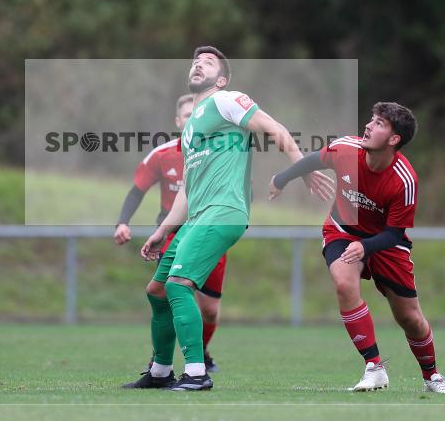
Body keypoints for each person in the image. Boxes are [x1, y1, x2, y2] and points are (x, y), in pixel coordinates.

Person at [123, 46, 334, 391]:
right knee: (157, 291)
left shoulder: (226, 100)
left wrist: (302, 168)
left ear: (220, 79)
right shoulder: (192, 127)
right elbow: (188, 192)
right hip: (198, 216)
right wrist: (163, 231)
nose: (198, 64)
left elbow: (273, 128)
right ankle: (160, 372)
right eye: (195, 61)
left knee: (178, 287)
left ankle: (196, 373)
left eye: (208, 63)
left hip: (223, 212)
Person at [269, 102, 445, 393]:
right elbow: (312, 161)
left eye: (379, 123)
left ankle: (432, 376)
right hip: (342, 230)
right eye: (371, 119)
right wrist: (281, 179)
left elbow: (395, 233)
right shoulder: (345, 149)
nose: (368, 125)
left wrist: (366, 246)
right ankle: (374, 367)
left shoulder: (404, 180)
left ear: (394, 139)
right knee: (344, 283)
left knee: (409, 318)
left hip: (384, 243)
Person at [114, 94, 226, 373]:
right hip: (173, 234)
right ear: (178, 121)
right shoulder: (162, 155)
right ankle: (161, 361)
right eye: (187, 115)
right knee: (164, 292)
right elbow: (137, 190)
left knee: (210, 310)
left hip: (209, 231)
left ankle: (200, 351)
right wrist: (123, 222)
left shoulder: (219, 153)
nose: (192, 119)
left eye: (196, 114)